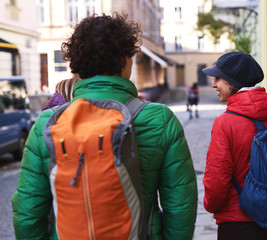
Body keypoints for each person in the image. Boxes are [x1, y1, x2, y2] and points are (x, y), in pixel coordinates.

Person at [12, 13, 197, 240]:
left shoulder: (46, 123)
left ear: (76, 65)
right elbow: (180, 207)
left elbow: (28, 212)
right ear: (127, 61)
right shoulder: (160, 119)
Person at [202, 51, 267, 240]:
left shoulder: (225, 122)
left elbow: (217, 182)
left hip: (236, 223)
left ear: (232, 81)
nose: (214, 84)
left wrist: (209, 205)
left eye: (218, 78)